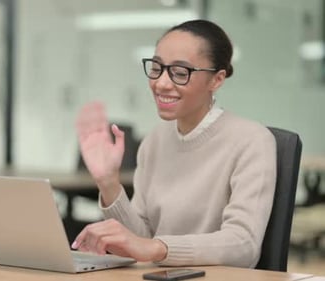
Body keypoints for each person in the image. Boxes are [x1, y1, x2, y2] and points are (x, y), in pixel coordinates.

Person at [71, 19, 277, 268]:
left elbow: (243, 244)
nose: (161, 83)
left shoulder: (252, 141)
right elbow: (140, 240)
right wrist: (109, 184)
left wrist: (158, 248)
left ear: (217, 79)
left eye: (180, 73)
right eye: (156, 68)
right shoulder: (154, 142)